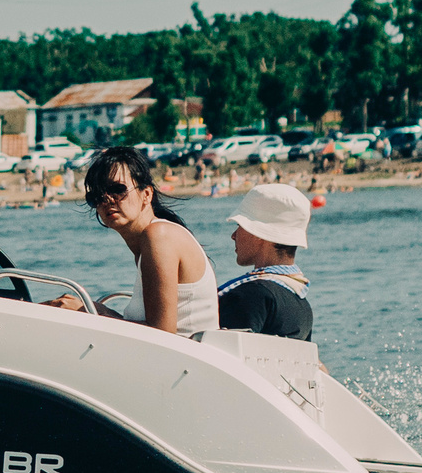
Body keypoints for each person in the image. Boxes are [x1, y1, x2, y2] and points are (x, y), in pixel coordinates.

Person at [55, 144, 216, 337]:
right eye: (96, 195)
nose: (106, 199)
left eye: (117, 189)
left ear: (146, 194)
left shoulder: (159, 235)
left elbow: (161, 334)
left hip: (184, 363)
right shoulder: (150, 243)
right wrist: (96, 310)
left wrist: (88, 311)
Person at [216, 182, 314, 341]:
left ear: (259, 232)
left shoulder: (252, 295)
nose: (234, 235)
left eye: (239, 226)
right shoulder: (302, 304)